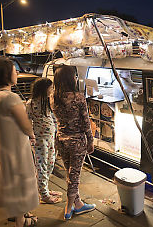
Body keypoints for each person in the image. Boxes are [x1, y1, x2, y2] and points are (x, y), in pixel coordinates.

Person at [0, 57, 39, 227]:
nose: (16, 73)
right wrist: (32, 135)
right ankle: (21, 221)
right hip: (15, 148)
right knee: (20, 183)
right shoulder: (11, 97)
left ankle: (19, 215)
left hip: (3, 146)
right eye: (13, 70)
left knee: (11, 182)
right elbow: (25, 125)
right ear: (6, 75)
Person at [51, 65, 96, 220]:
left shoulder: (53, 97)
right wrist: (91, 141)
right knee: (74, 175)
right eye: (74, 76)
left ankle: (78, 203)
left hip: (61, 139)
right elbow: (86, 122)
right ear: (71, 79)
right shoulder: (78, 97)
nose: (76, 78)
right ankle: (69, 208)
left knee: (70, 173)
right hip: (77, 141)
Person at [26, 78, 62, 204]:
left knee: (51, 163)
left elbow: (53, 118)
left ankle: (44, 188)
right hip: (39, 140)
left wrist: (57, 133)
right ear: (43, 89)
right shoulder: (31, 103)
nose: (52, 90)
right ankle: (44, 195)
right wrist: (30, 137)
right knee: (41, 166)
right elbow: (27, 121)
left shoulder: (48, 102)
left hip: (51, 137)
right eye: (50, 88)